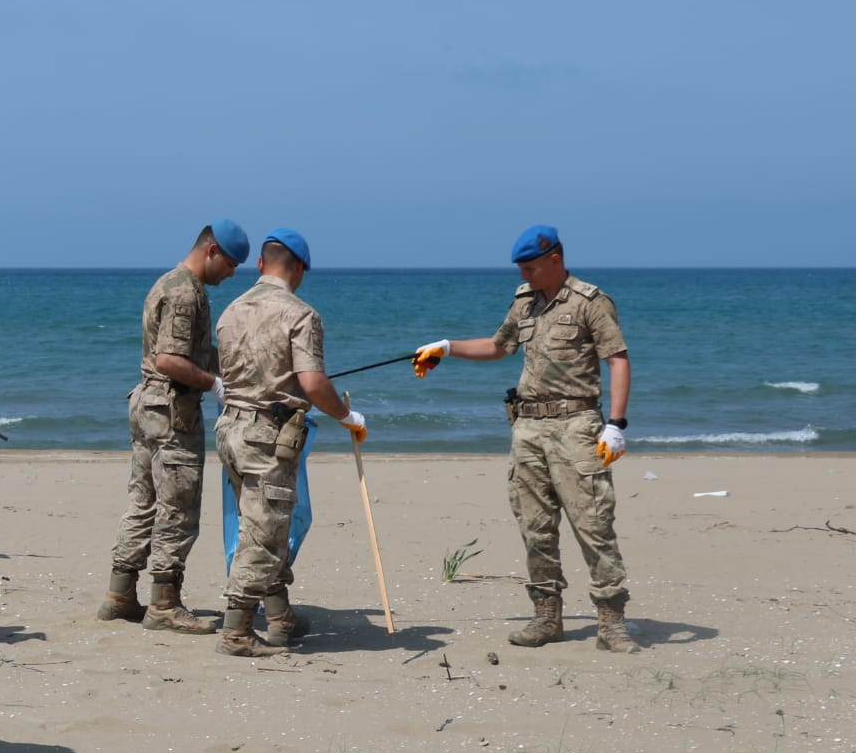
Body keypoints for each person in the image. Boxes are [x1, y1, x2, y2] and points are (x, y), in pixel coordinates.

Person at [411, 225, 638, 652]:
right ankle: (546, 616)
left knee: (593, 525)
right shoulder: (525, 303)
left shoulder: (592, 301)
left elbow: (618, 361)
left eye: (531, 266)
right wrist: (446, 347)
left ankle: (611, 621)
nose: (525, 274)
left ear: (556, 259)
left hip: (577, 426)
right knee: (536, 528)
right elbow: (499, 347)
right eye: (521, 268)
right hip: (528, 427)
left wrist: (617, 424)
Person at [212, 229, 369, 657]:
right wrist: (346, 416)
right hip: (266, 436)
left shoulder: (229, 311)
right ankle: (237, 631)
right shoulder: (301, 314)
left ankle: (280, 617)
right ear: (299, 268)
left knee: (262, 523)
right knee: (263, 533)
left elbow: (227, 377)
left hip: (230, 429)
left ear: (261, 265)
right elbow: (313, 382)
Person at [98, 219, 251, 632]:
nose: (233, 273)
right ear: (212, 250)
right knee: (178, 509)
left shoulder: (168, 282)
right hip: (171, 411)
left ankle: (120, 593)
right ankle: (164, 602)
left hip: (147, 404)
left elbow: (192, 351)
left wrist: (232, 370)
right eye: (232, 264)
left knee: (142, 502)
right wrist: (214, 385)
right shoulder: (186, 292)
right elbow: (170, 360)